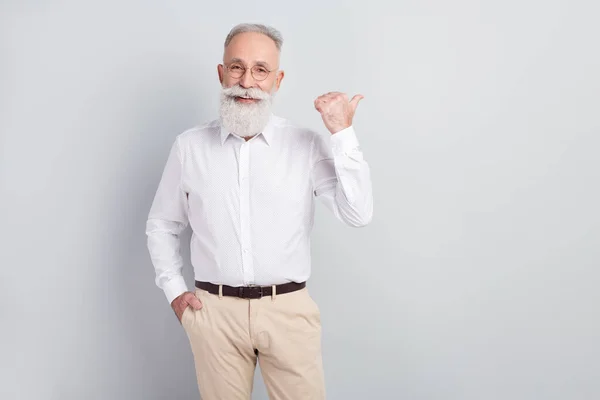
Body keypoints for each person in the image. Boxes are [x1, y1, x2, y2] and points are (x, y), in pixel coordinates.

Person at [145, 22, 373, 400]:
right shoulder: (189, 147)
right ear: (221, 73)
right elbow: (162, 223)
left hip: (288, 311)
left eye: (260, 70)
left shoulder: (306, 145)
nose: (247, 81)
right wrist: (174, 291)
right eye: (237, 67)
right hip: (214, 314)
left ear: (277, 79)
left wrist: (342, 134)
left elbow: (358, 213)